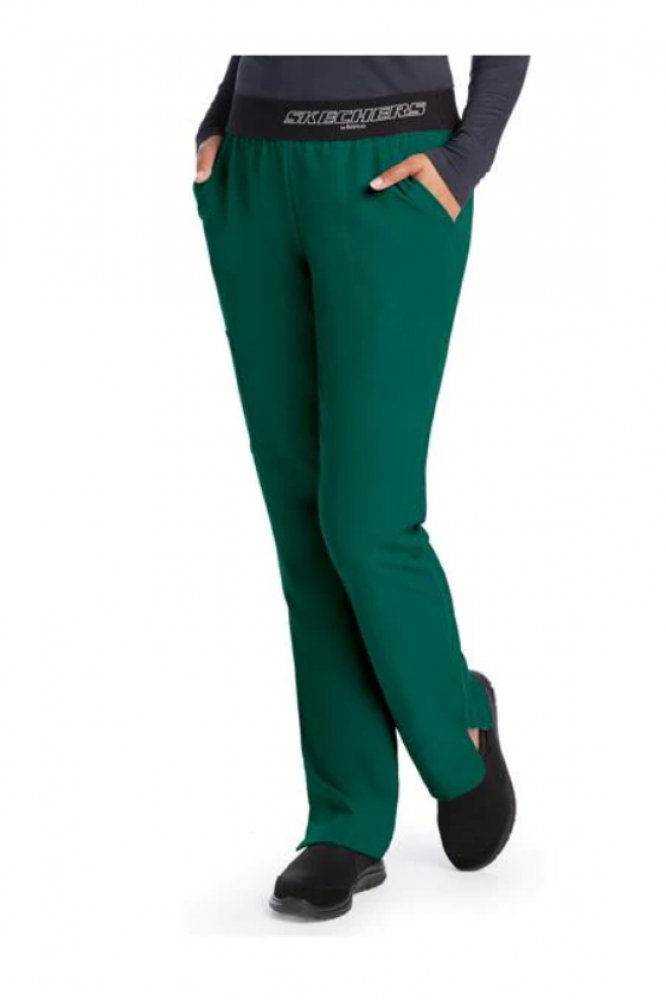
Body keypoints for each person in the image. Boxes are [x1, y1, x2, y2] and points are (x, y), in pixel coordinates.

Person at [193, 56, 529, 920]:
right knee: (303, 523)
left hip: (392, 168)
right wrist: (223, 114)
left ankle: (457, 726)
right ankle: (345, 820)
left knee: (366, 519)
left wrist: (468, 155)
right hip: (254, 168)